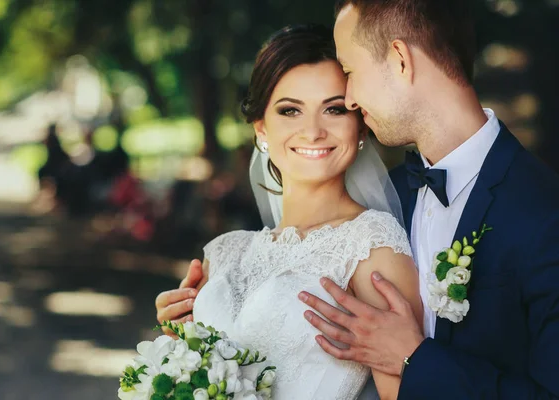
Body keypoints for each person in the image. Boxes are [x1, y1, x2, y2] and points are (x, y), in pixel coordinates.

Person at [297, 1, 559, 399]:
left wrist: (414, 357)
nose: (349, 98)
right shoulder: (384, 199)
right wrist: (214, 312)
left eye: (350, 71)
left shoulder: (544, 212)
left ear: (400, 60)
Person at [156, 25, 422, 399]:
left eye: (333, 109)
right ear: (261, 127)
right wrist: (176, 344)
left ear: (360, 124)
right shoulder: (223, 253)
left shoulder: (372, 247)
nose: (312, 131)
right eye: (290, 110)